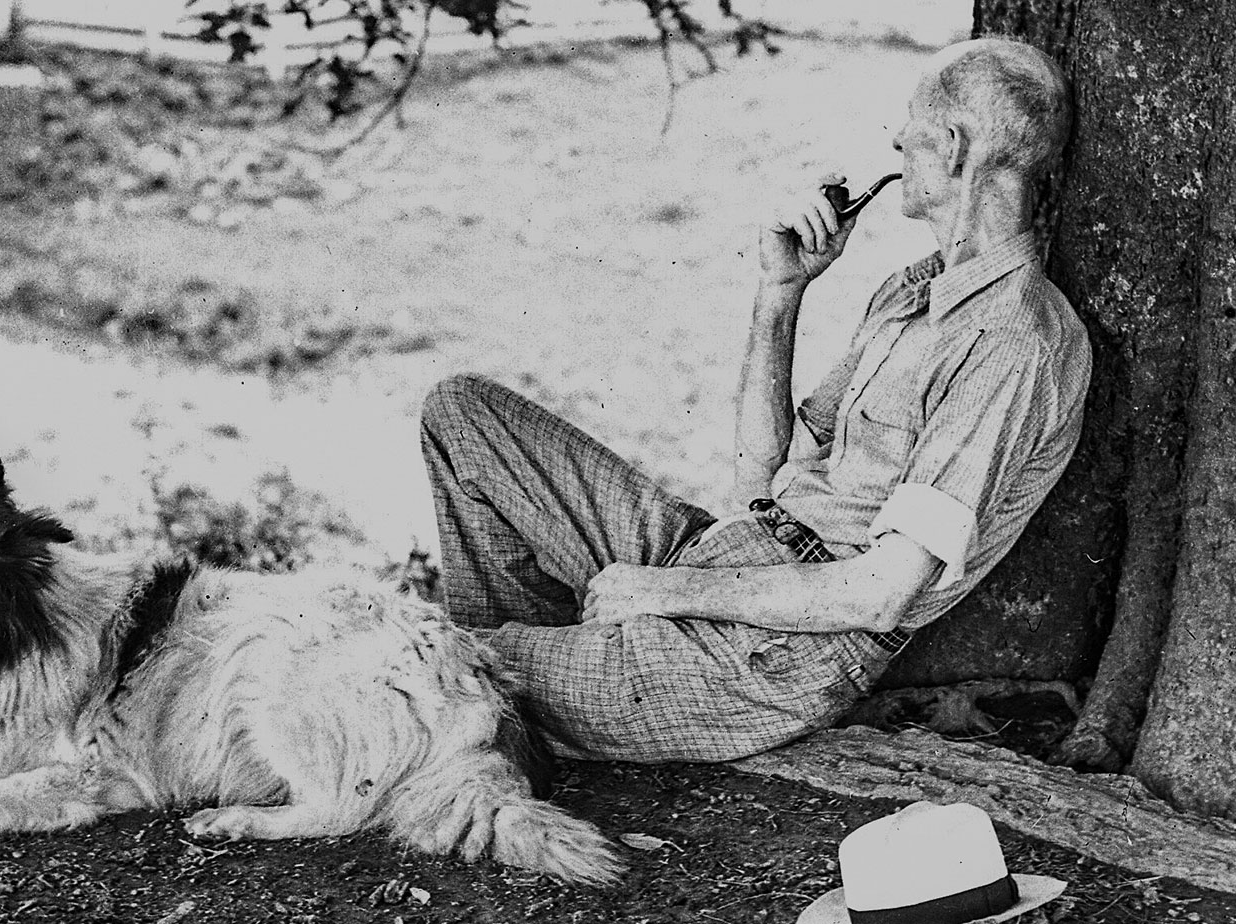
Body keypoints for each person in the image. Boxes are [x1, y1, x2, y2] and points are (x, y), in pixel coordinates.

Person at [419, 37, 1092, 763]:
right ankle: (532, 709)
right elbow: (760, 484)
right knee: (462, 415)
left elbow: (880, 593)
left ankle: (521, 695)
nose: (895, 139)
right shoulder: (909, 295)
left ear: (954, 145)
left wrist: (663, 594)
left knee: (439, 660)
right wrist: (781, 295)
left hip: (772, 654)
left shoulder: (1016, 342)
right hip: (735, 557)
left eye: (911, 121)